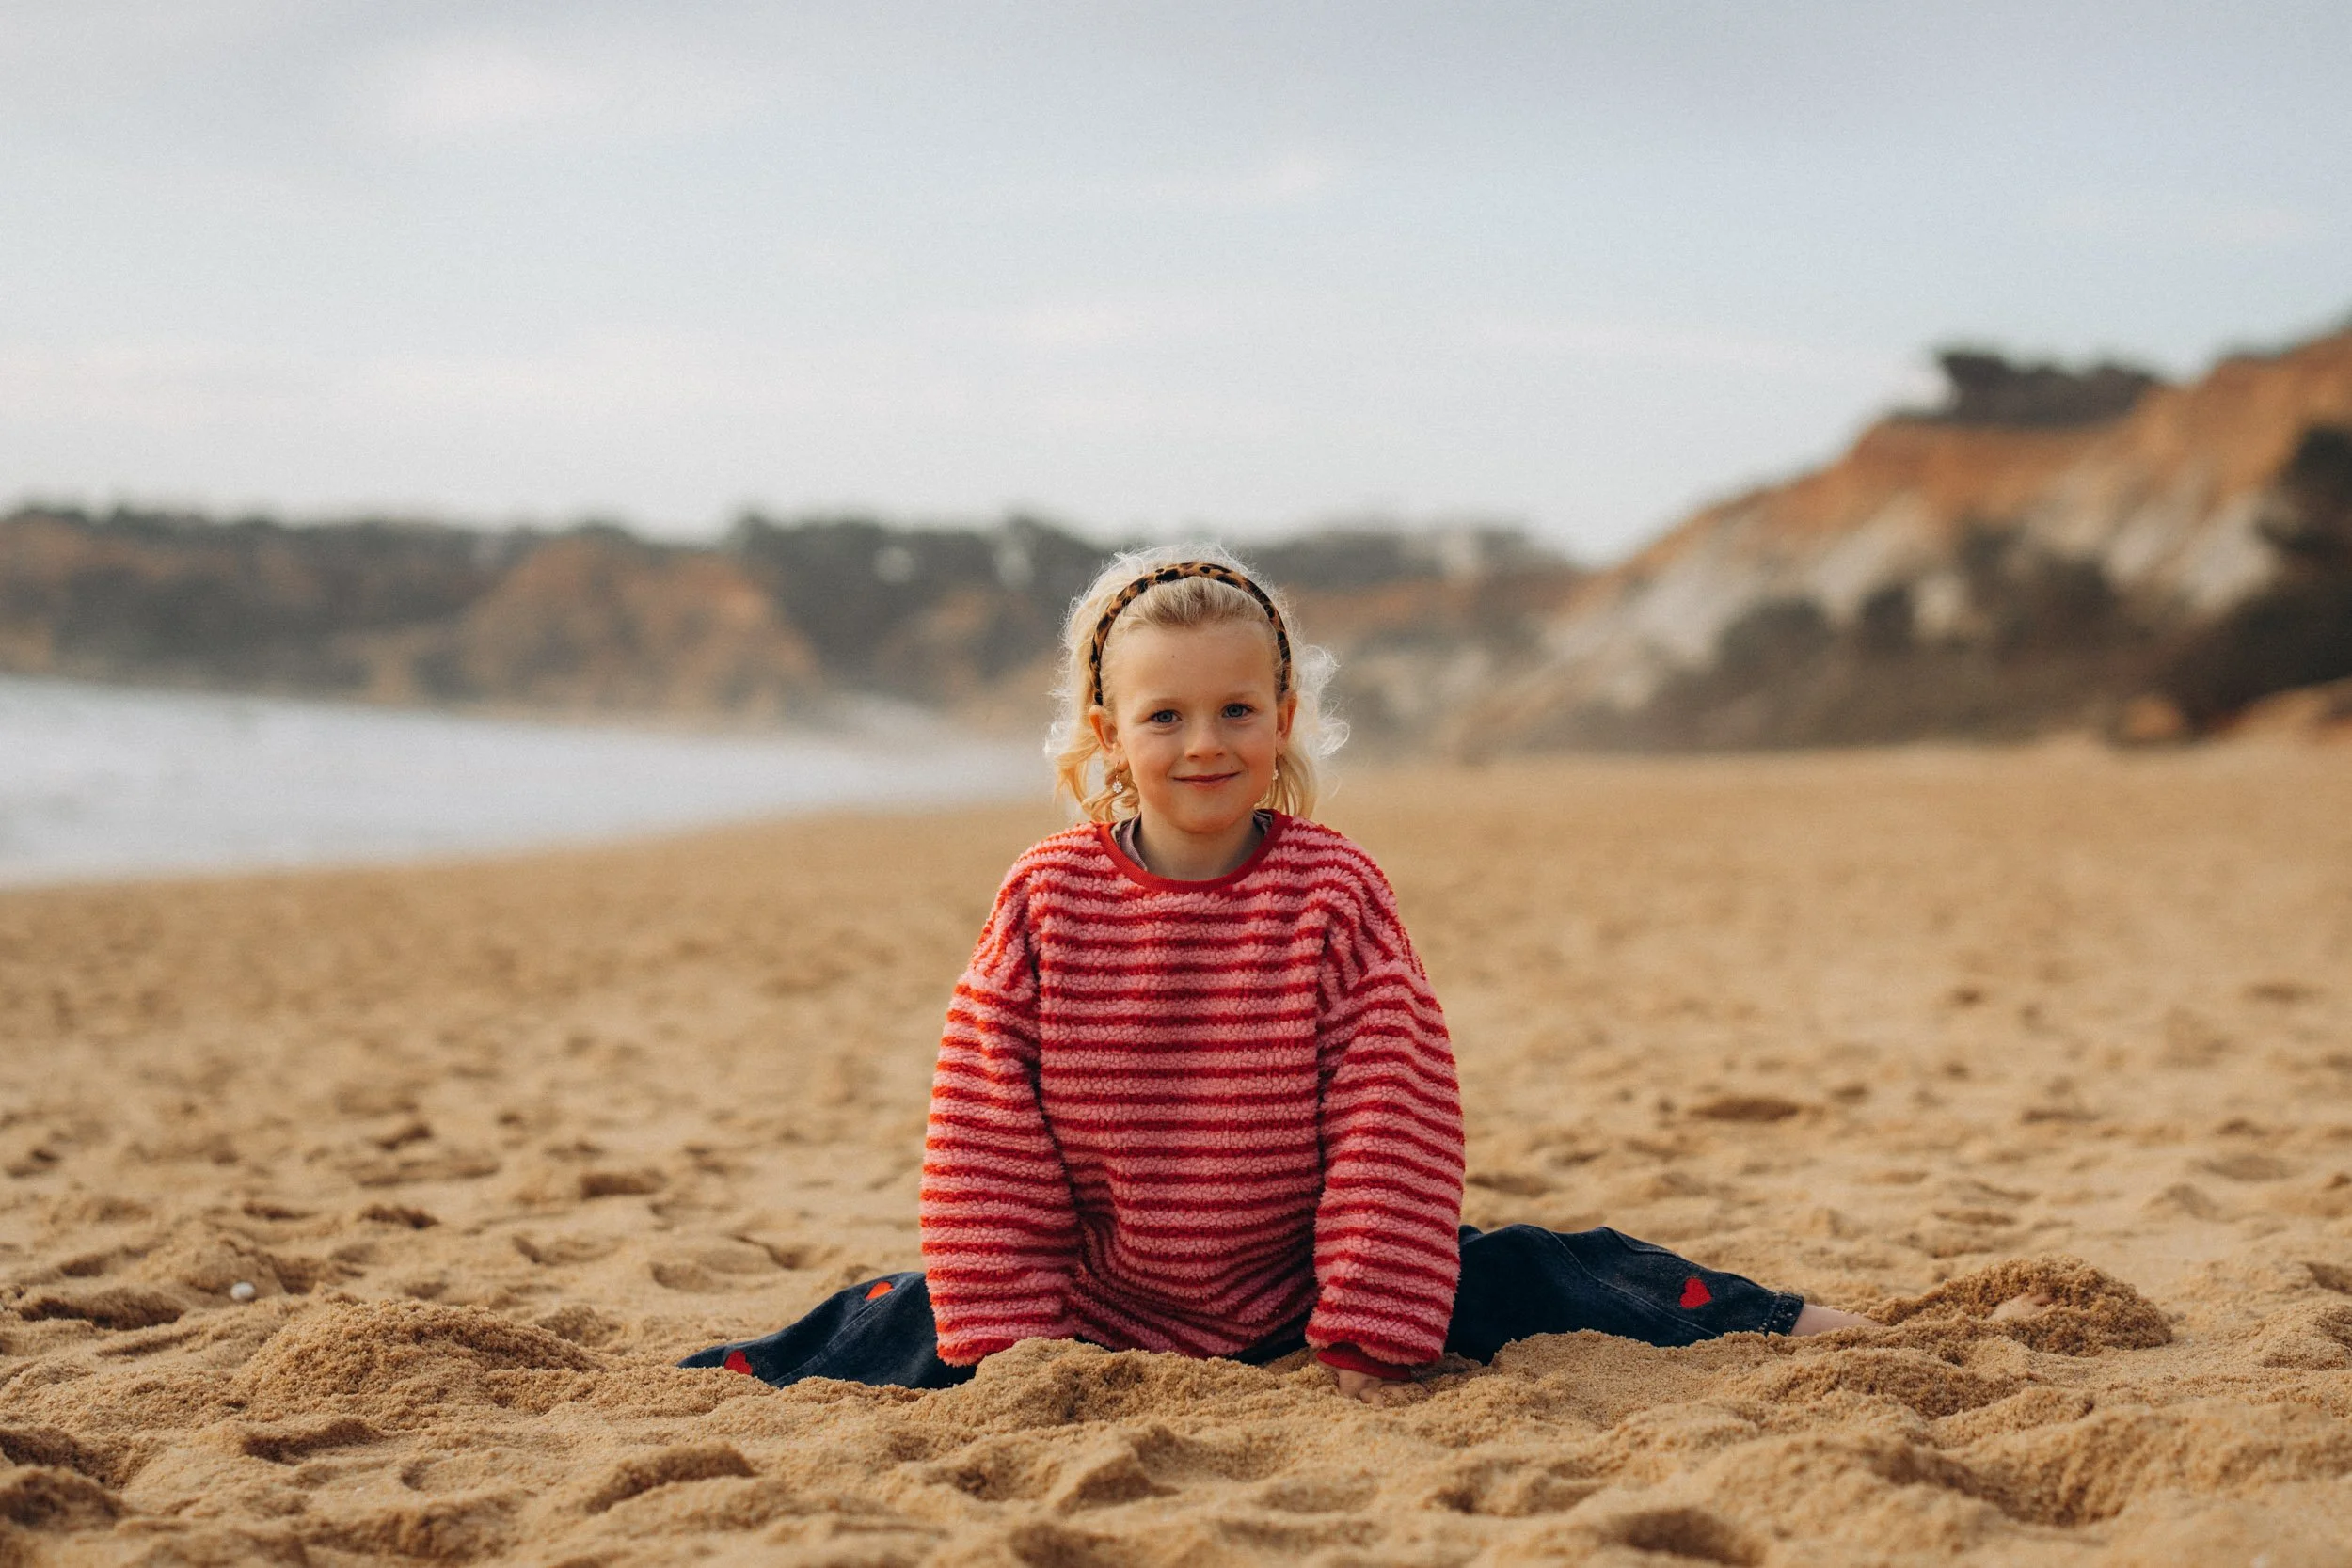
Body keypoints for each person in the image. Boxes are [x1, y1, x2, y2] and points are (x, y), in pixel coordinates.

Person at [682, 546, 1875, 1403]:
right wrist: (1021, 1350)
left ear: (1283, 714)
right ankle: (713, 1375)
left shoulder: (1331, 892)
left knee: (1549, 1268)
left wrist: (1360, 1330)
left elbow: (1392, 1116)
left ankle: (1788, 1321)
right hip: (1102, 1306)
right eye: (1165, 716)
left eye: (1236, 707)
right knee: (890, 1313)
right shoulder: (1047, 896)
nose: (1203, 741)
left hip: (1304, 1291)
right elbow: (986, 1127)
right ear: (1107, 731)